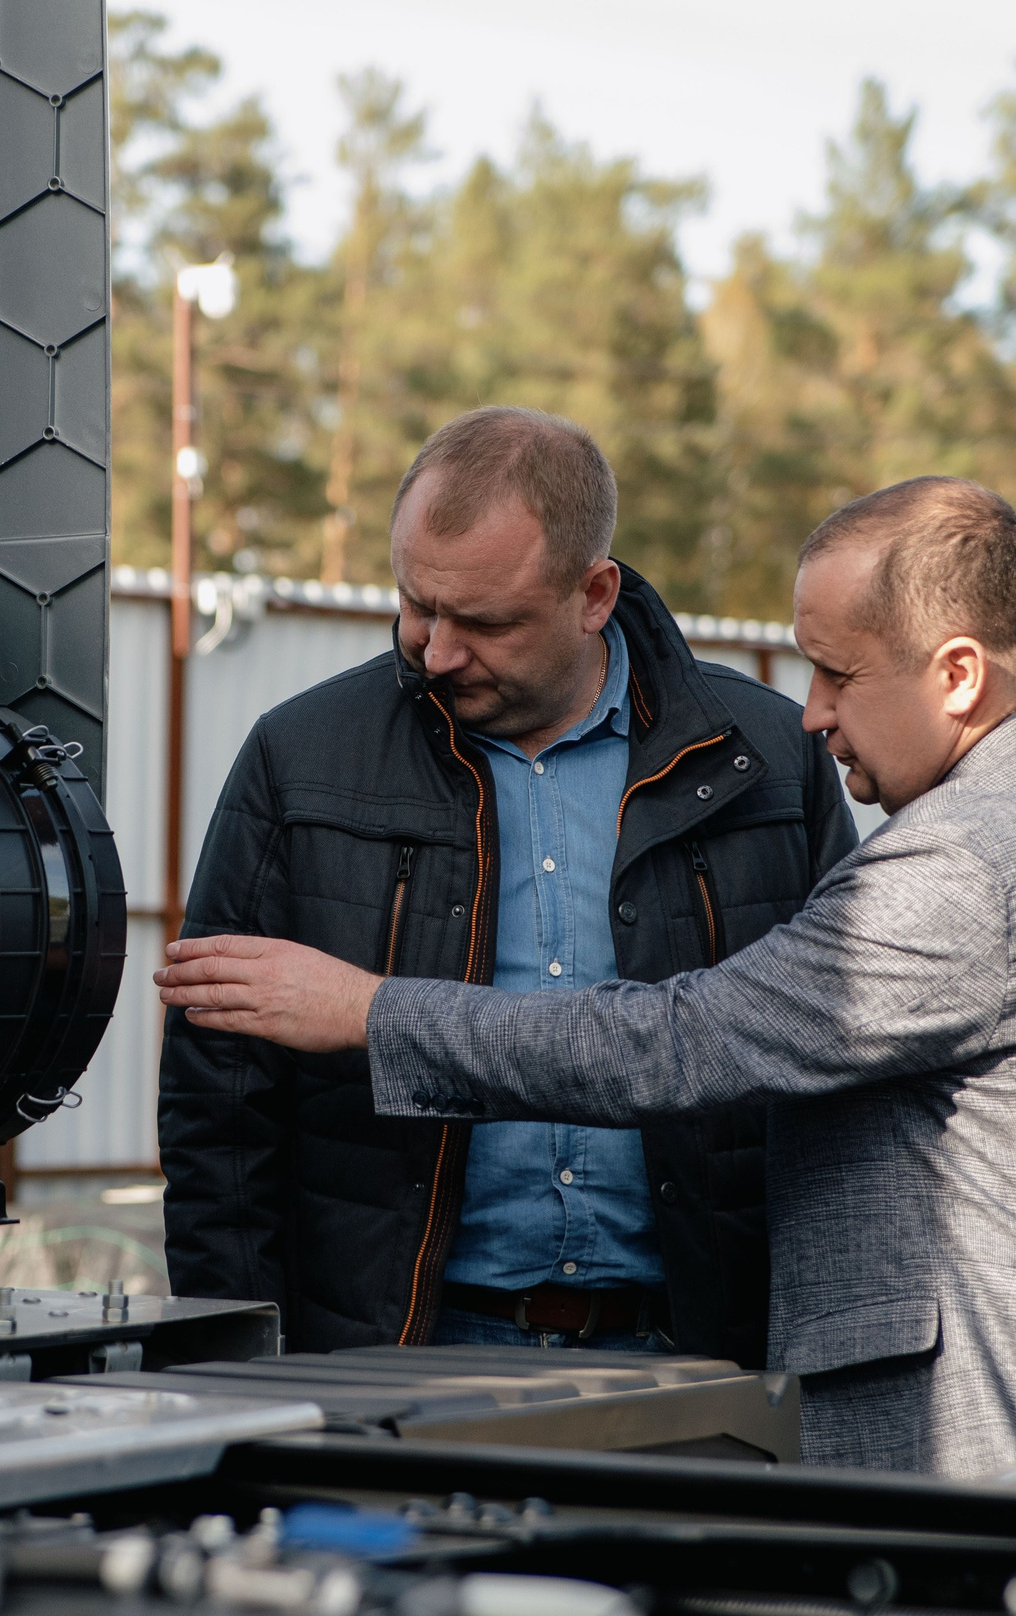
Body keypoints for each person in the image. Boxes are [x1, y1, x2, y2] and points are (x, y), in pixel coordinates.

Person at [154, 476, 1016, 1477]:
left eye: (839, 674)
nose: (810, 715)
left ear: (956, 676)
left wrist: (368, 1011)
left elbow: (683, 1042)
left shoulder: (966, 869)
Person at [158, 406, 856, 1359]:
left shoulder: (768, 761)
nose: (437, 650)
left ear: (595, 593)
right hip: (400, 1347)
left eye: (484, 621)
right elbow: (219, 1111)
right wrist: (237, 1363)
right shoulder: (301, 757)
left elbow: (846, 1083)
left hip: (698, 1348)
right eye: (415, 604)